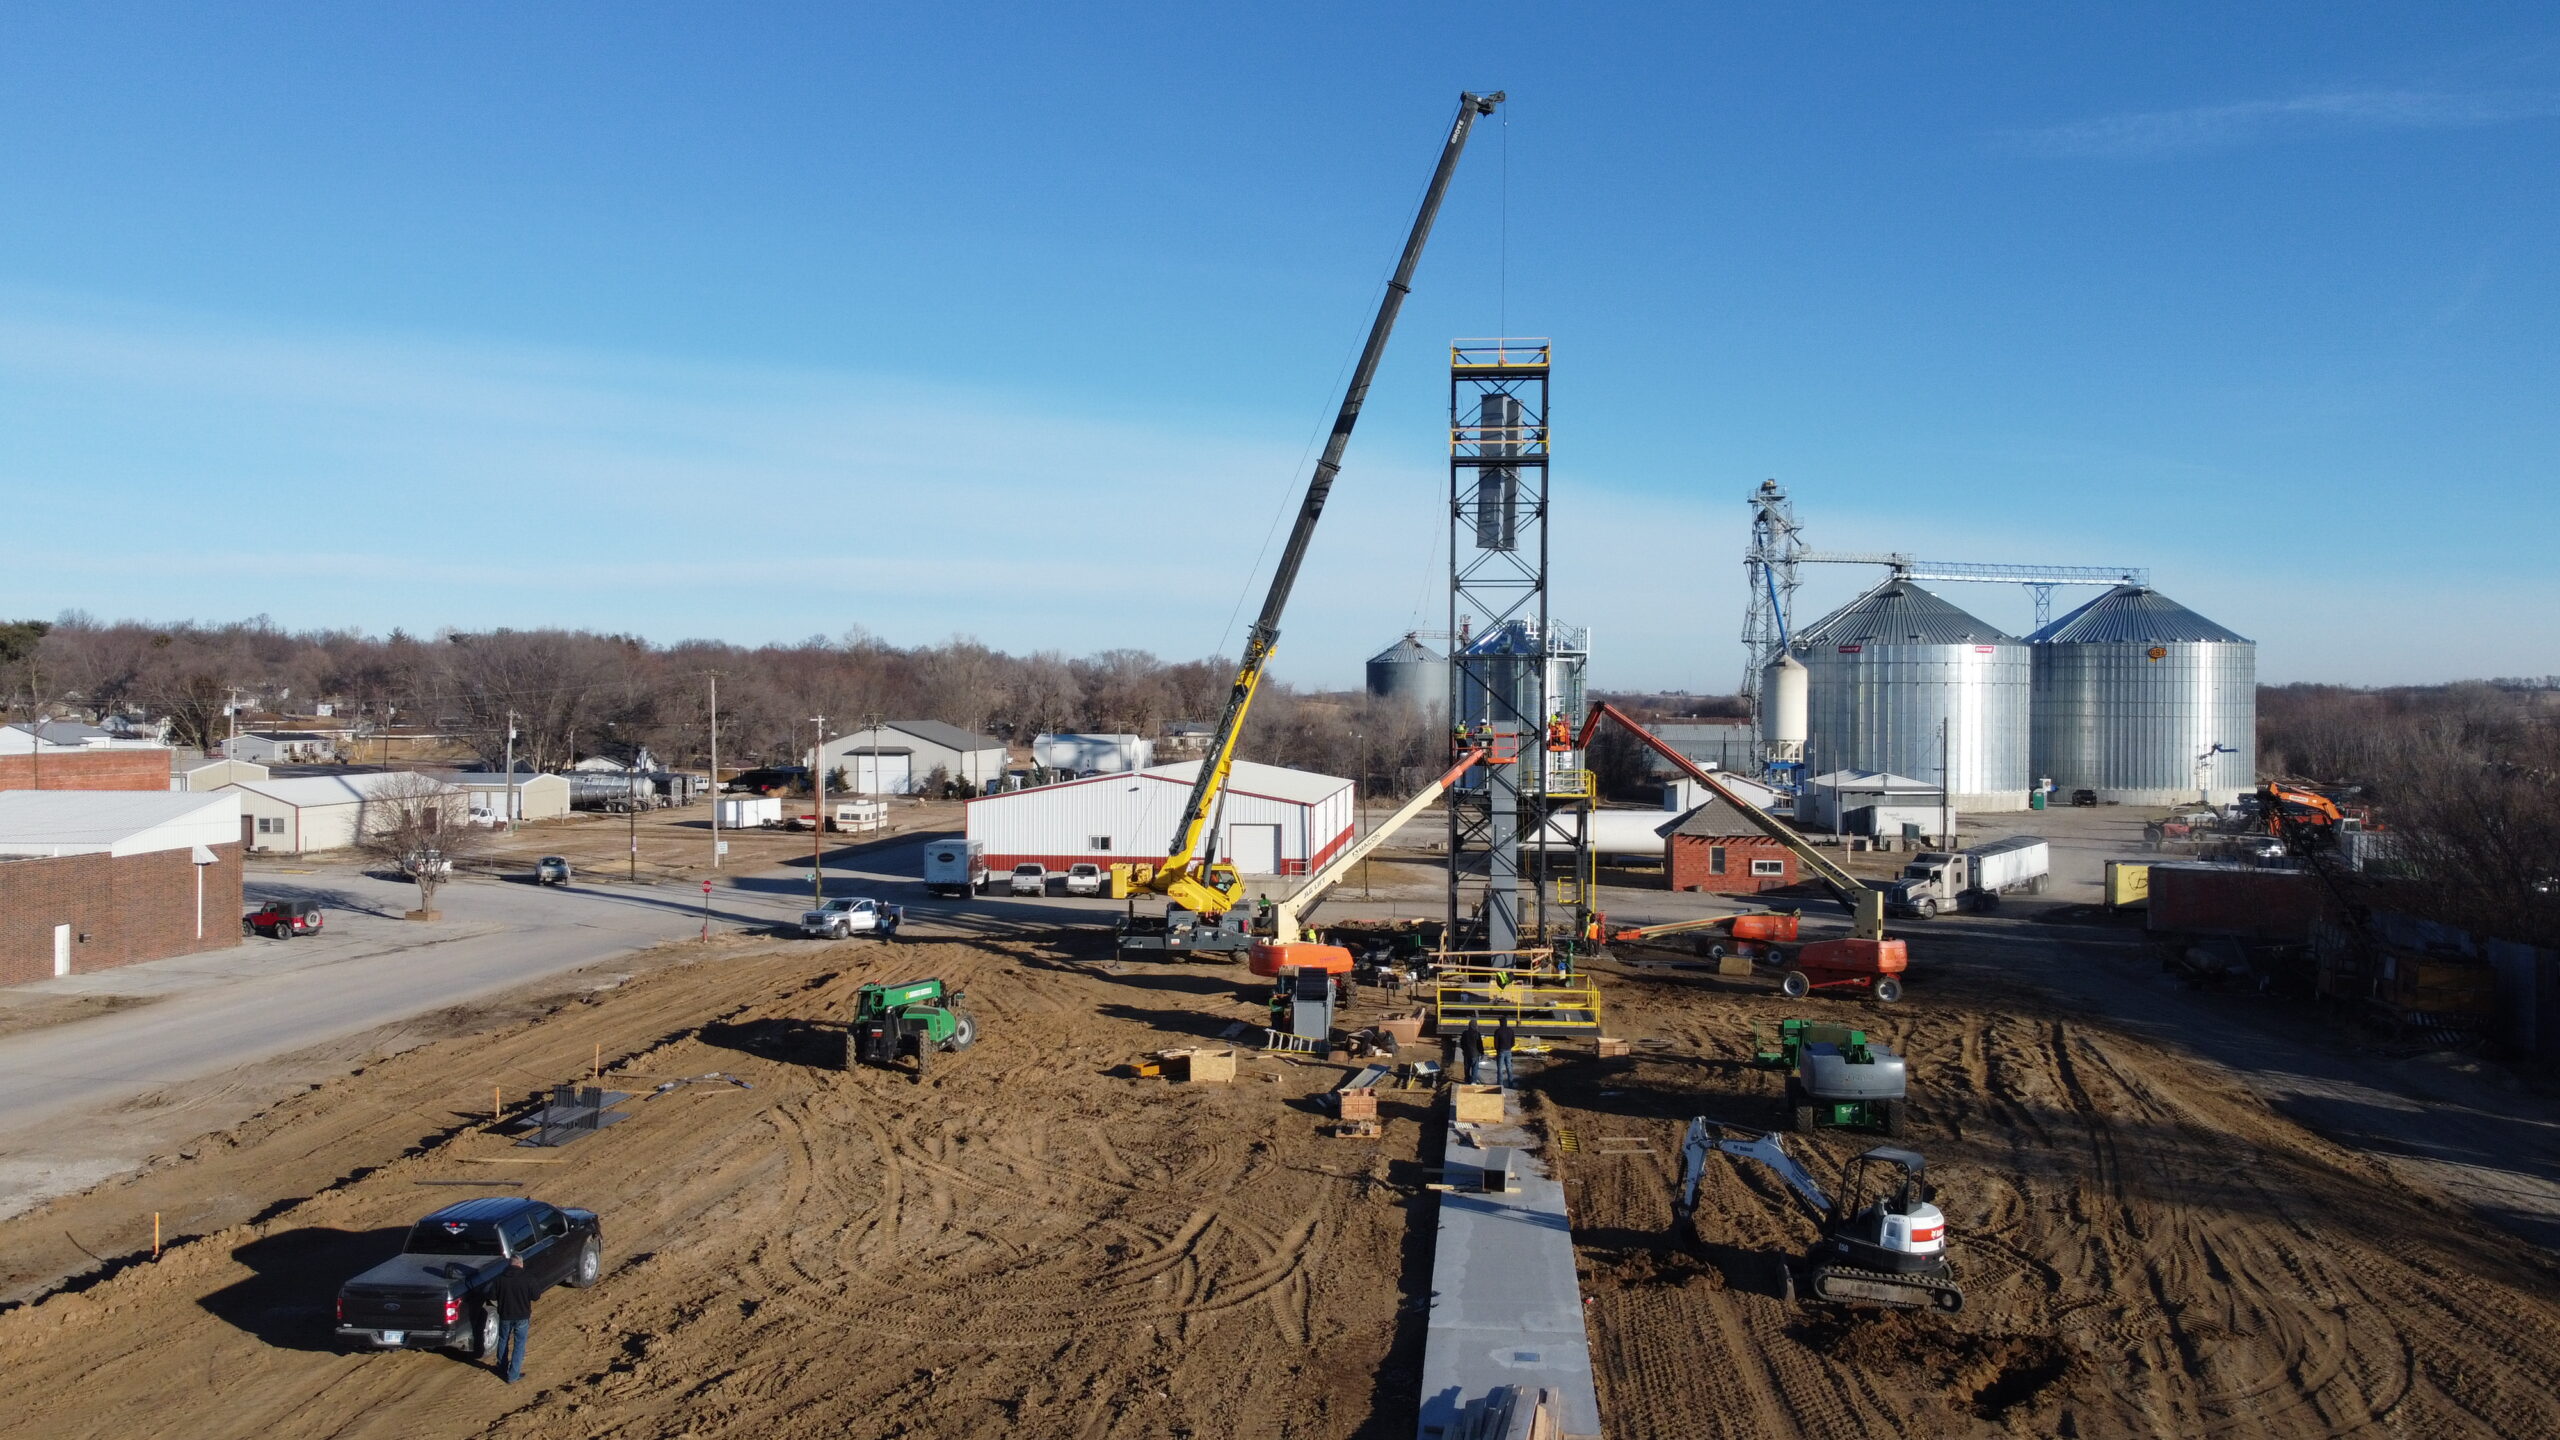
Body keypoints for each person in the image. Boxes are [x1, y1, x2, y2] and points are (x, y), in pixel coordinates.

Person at [490, 1254, 539, 1383]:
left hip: (505, 1315)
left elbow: (492, 1296)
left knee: (503, 1340)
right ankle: (513, 1375)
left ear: (510, 1264)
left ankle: (501, 1368)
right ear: (521, 1264)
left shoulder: (499, 1279)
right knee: (519, 1344)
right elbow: (536, 1296)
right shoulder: (528, 1278)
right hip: (522, 1316)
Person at [1460, 1018, 1485, 1085]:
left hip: (1467, 1053)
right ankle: (1473, 1081)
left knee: (1467, 1068)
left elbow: (1461, 1043)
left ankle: (1467, 1080)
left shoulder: (1465, 1033)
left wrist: (1464, 1050)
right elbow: (1480, 1044)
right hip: (1475, 1054)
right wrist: (1482, 1052)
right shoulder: (1477, 1034)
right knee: (1475, 1068)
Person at [1494, 1016, 1517, 1087]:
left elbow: (1495, 1043)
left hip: (1501, 1051)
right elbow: (1513, 1042)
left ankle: (1500, 1084)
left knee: (1500, 1068)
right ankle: (1511, 1084)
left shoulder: (1498, 1031)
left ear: (1500, 1023)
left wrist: (1497, 1050)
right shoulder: (1511, 1030)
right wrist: (1509, 1047)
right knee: (1509, 1068)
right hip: (1508, 1051)